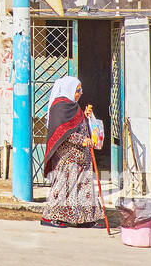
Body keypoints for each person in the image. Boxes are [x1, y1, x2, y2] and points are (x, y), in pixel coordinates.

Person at [39, 75, 104, 229]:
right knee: (64, 187)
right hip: (68, 157)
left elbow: (78, 126)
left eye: (80, 90)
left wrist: (87, 117)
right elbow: (63, 132)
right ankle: (49, 217)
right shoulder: (59, 107)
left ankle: (84, 218)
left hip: (81, 156)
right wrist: (82, 140)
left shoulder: (73, 107)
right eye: (77, 90)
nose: (80, 93)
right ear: (69, 89)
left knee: (83, 188)